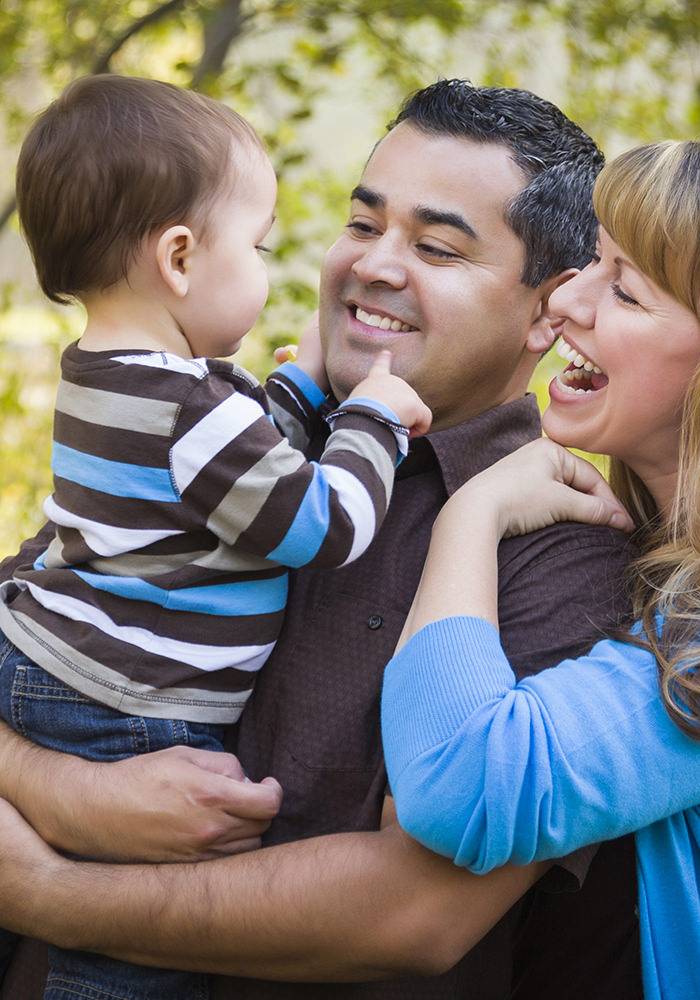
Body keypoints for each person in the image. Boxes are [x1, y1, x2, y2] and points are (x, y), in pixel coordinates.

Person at [0, 81, 641, 999]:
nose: (374, 266)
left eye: (435, 247)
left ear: (548, 311)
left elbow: (410, 913)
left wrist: (47, 888)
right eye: (362, 223)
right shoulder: (219, 434)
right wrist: (65, 791)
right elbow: (26, 630)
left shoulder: (564, 553)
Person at [0, 73, 431, 999]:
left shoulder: (112, 375)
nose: (272, 268)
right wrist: (374, 420)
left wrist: (302, 392)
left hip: (49, 657)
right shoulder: (190, 409)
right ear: (182, 258)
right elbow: (321, 522)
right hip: (127, 704)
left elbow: (216, 480)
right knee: (127, 950)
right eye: (261, 247)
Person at [381, 139, 700, 1000]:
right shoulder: (646, 554)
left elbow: (458, 788)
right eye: (592, 263)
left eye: (626, 290)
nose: (569, 299)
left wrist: (470, 516)